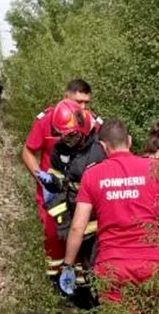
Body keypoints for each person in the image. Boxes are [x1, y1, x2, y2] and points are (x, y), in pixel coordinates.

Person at [63, 119, 159, 314]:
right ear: (130, 141)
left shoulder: (92, 176)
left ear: (103, 146)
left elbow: (77, 228)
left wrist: (68, 265)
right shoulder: (156, 169)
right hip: (152, 263)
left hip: (112, 267)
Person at [21, 80, 102, 276]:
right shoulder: (46, 120)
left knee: (84, 236)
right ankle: (57, 284)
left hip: (80, 194)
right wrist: (40, 176)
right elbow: (28, 151)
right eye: (78, 101)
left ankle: (82, 284)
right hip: (53, 193)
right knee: (54, 239)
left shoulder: (92, 123)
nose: (83, 107)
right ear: (65, 97)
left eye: (86, 103)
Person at [37, 99, 106, 300]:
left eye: (72, 136)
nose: (68, 141)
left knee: (99, 270)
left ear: (83, 127)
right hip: (76, 220)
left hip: (100, 222)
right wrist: (62, 220)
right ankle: (87, 302)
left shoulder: (99, 149)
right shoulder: (60, 151)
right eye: (63, 137)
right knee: (83, 269)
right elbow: (58, 185)